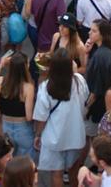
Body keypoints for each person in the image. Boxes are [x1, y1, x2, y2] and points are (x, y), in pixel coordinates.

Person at [33, 49, 89, 187]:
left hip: (54, 138)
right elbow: (86, 101)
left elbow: (41, 117)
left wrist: (38, 135)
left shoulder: (46, 88)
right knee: (73, 171)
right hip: (76, 135)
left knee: (56, 174)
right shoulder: (79, 81)